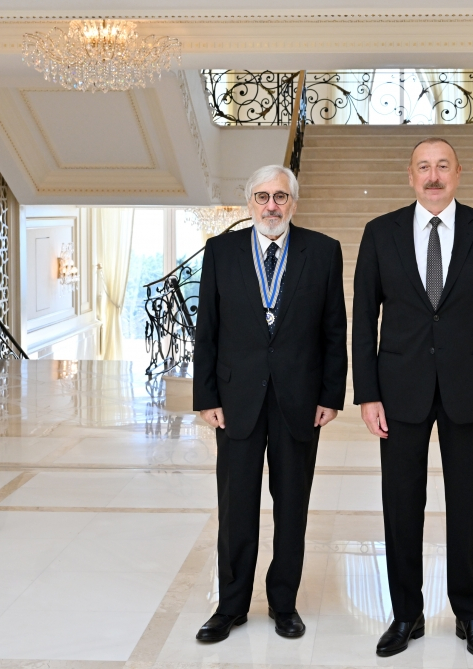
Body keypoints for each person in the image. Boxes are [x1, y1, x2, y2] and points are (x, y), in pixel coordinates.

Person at [352, 138, 473, 661]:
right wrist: (367, 393)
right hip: (398, 391)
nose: (433, 176)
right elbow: (363, 319)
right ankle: (407, 614)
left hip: (469, 393)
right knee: (401, 504)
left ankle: (469, 613)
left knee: (467, 505)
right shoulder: (380, 233)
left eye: (442, 166)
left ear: (458, 173)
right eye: (424, 167)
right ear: (410, 176)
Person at [192, 164, 347, 642]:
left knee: (292, 507)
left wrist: (331, 395)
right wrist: (206, 396)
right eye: (262, 197)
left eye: (280, 196)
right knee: (236, 506)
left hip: (298, 400)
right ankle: (231, 605)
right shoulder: (221, 251)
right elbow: (207, 330)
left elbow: (334, 330)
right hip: (235, 400)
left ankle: (284, 604)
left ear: (293, 202)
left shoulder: (323, 251)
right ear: (249, 203)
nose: (271, 206)